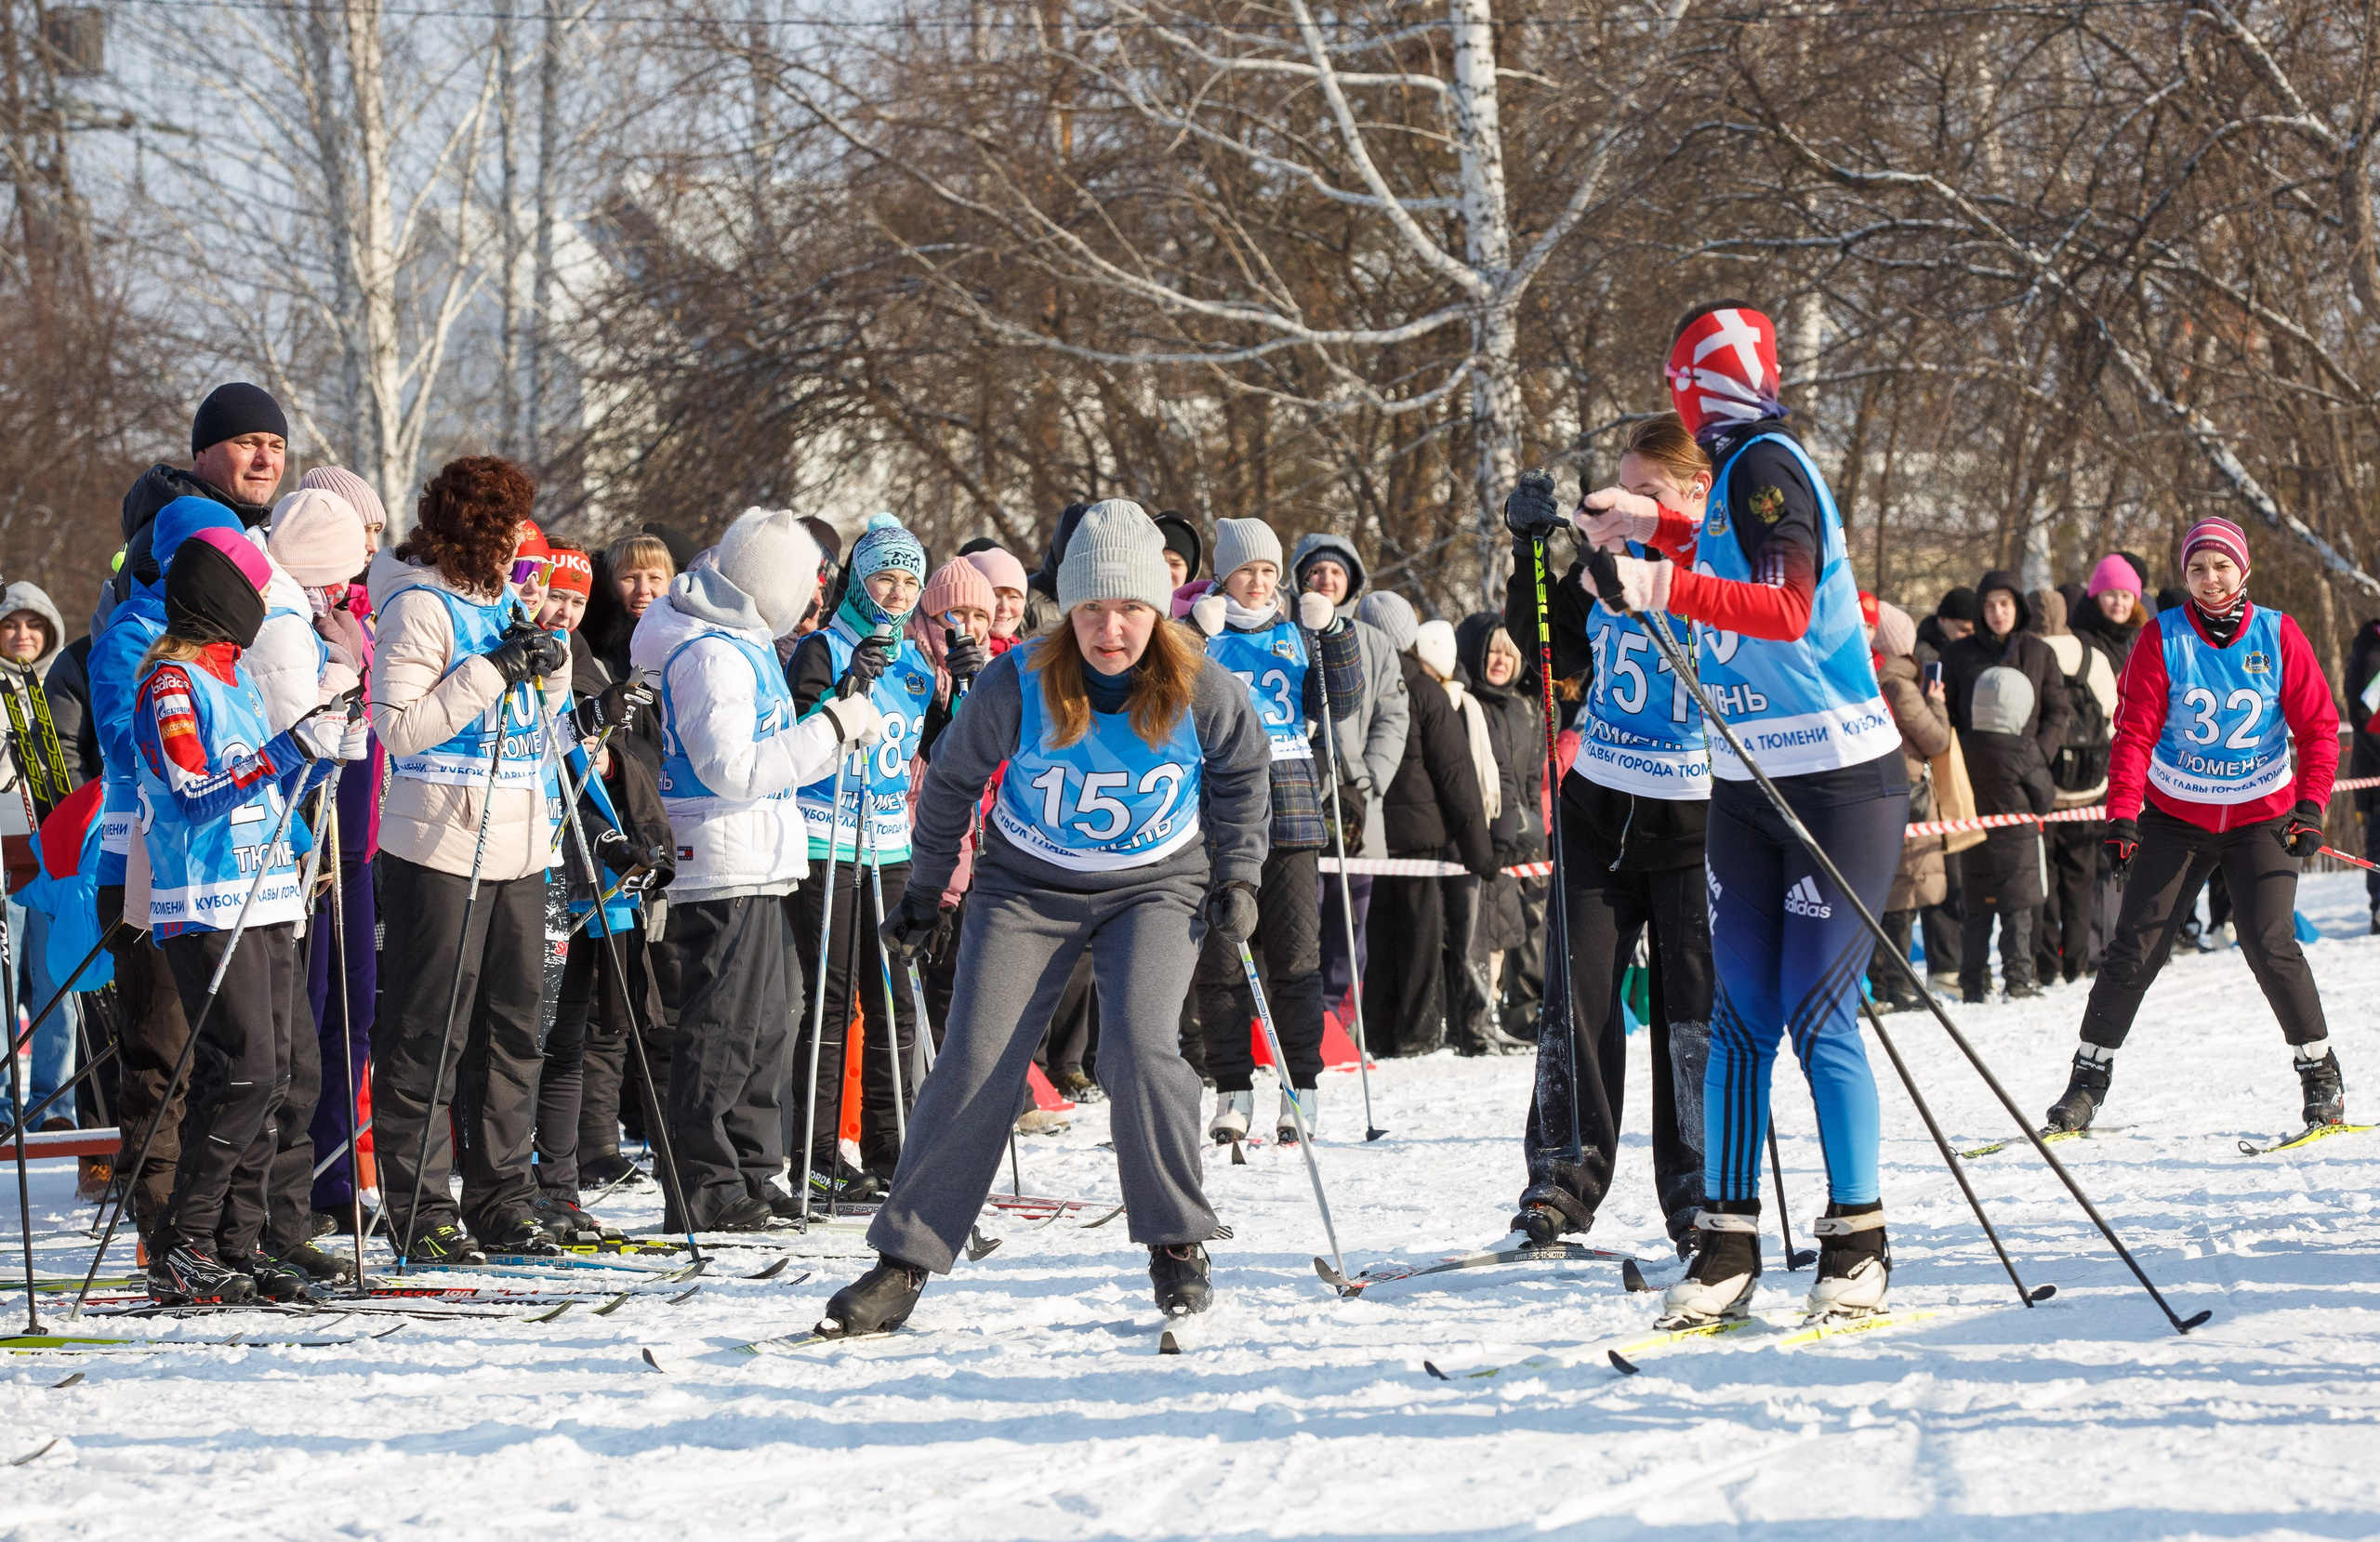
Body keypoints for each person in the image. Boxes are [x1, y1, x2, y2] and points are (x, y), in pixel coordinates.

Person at [818, 500, 1268, 1335]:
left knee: (1138, 1047)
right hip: (1026, 884)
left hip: (1155, 884)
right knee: (976, 1056)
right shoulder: (1019, 676)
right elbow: (953, 782)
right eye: (1092, 608)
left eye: (1130, 607)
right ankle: (904, 1259)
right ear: (1069, 607)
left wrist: (1238, 874)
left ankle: (1176, 1242)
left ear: (1156, 609)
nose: (1110, 629)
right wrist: (924, 892)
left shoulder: (1200, 680)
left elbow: (1245, 771)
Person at [1554, 299, 1909, 1325]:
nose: (1681, 396)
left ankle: (1857, 1239)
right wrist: (1643, 524)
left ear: (1700, 383)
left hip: (1839, 782)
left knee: (1814, 1014)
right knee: (1740, 1018)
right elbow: (1716, 548)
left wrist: (1658, 577)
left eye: (1681, 380)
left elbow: (1785, 604)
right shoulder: (1736, 476)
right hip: (1748, 782)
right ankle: (1724, 1244)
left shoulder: (1765, 462)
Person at [2045, 517, 2344, 1137]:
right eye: (2197, 569)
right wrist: (2123, 815)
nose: (2210, 580)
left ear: (2244, 570)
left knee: (2267, 940)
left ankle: (2319, 1072)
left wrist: (2311, 807)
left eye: (2221, 566)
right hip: (2177, 815)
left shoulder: (2278, 634)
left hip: (2262, 814)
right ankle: (2086, 1079)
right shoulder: (2161, 637)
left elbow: (2317, 728)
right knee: (2136, 946)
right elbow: (2133, 733)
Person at [631, 509, 883, 1231]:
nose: (813, 602)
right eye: (806, 586)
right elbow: (731, 768)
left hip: (763, 855)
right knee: (726, 1027)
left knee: (776, 1019)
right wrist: (832, 725)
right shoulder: (711, 652)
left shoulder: (744, 640)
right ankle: (704, 1182)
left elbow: (778, 753)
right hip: (720, 856)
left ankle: (753, 1165)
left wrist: (838, 726)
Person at [1501, 411, 1715, 1253]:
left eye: (1648, 491)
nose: (1630, 505)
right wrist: (1529, 552)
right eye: (1624, 489)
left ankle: (1702, 1187)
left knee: (1689, 1011)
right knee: (1576, 996)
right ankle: (1561, 1177)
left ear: (1697, 493)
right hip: (1599, 806)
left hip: (1695, 818)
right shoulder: (1607, 562)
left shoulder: (1722, 570)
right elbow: (1543, 641)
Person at [132, 526, 358, 1303]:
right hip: (203, 901)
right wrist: (291, 748)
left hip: (264, 894)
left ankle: (240, 1238)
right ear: (217, 597)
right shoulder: (171, 682)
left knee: (284, 1072)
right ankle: (185, 1242)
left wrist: (325, 747)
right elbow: (196, 789)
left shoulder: (236, 681)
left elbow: (261, 786)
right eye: (251, 594)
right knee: (244, 1071)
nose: (261, 608)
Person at [366, 457, 574, 1264]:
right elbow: (399, 726)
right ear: (463, 533)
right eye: (498, 534)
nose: (511, 552)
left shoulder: (506, 602)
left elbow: (540, 717)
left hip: (522, 840)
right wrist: (491, 669)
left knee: (515, 1027)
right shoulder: (419, 605)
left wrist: (548, 669)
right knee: (430, 1027)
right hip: (438, 841)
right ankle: (420, 1205)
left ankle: (503, 1195)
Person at [91, 496, 251, 1259]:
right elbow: (131, 747)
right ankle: (159, 1213)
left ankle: (213, 1220)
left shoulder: (225, 649)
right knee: (163, 1049)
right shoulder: (135, 632)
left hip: (223, 860)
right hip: (143, 860)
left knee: (226, 1051)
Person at [786, 514, 957, 1196]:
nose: (895, 593)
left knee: (894, 1001)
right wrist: (848, 683)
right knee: (830, 1005)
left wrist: (963, 696)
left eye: (908, 582)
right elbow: (801, 738)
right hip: (826, 839)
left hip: (889, 843)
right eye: (883, 578)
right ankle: (818, 1155)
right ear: (858, 581)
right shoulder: (822, 648)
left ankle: (894, 1148)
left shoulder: (916, 659)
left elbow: (934, 749)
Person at [1186, 518, 1361, 1144]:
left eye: (1267, 571)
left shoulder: (1298, 632)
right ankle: (1232, 1087)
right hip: (1220, 813)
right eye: (1245, 571)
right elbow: (1163, 698)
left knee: (1295, 957)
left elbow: (1340, 700)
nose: (1258, 583)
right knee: (1224, 955)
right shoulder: (1205, 633)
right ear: (1225, 575)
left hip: (1290, 807)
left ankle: (1301, 1087)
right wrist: (1186, 636)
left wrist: (1334, 631)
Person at [1355, 591, 1493, 1057]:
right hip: (1419, 840)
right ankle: (1415, 1035)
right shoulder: (1426, 689)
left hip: (1364, 836)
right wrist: (1479, 850)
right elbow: (1456, 775)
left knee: (1372, 940)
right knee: (1419, 943)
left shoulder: (1352, 682)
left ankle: (1375, 1032)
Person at [1289, 533, 1410, 1016]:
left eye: (1336, 573)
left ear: (1351, 582)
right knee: (1298, 919)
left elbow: (1392, 715)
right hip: (1297, 797)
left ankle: (1339, 1018)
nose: (1326, 580)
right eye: (1317, 572)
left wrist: (1369, 778)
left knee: (1350, 922)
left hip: (1358, 806)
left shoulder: (1375, 643)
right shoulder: (1282, 635)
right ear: (1300, 579)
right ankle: (1293, 1021)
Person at [1451, 612, 1543, 1054]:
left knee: (1521, 930)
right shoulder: (1467, 704)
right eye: (1493, 651)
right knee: (1486, 929)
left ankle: (1514, 1014)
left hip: (1524, 839)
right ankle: (1479, 1016)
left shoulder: (1524, 711)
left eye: (1510, 652)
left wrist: (1537, 830)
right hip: (1482, 837)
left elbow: (1529, 782)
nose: (1502, 660)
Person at [2030, 587, 2117, 985]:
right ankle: (2078, 961)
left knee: (2044, 881)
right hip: (2089, 786)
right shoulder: (2092, 657)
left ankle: (2047, 964)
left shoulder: (2027, 653)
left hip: (2043, 787)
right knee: (2081, 879)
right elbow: (2115, 717)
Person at [1867, 600, 1950, 1013]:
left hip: (1873, 797)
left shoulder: (1867, 678)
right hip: (1908, 796)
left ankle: (1881, 983)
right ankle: (1896, 985)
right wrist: (1936, 701)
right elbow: (1936, 740)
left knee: (1882, 892)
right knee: (1904, 893)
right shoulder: (1900, 686)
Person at [1956, 660, 2055, 1001]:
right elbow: (2043, 798)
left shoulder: (1963, 745)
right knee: (2017, 918)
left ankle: (1971, 983)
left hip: (1975, 845)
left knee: (1976, 917)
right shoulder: (2024, 748)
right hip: (2018, 850)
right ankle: (2017, 980)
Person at [1911, 586, 1977, 993]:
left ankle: (1954, 961)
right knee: (1942, 871)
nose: (1968, 636)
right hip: (1934, 769)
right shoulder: (1924, 658)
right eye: (1962, 628)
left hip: (1957, 761)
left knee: (1960, 870)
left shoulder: (1960, 653)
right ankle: (1943, 965)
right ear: (1943, 622)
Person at [1153, 511, 1203, 588]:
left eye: (1175, 564)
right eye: (1159, 563)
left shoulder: (1205, 600)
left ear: (1189, 572)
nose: (1166, 573)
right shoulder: (1128, 598)